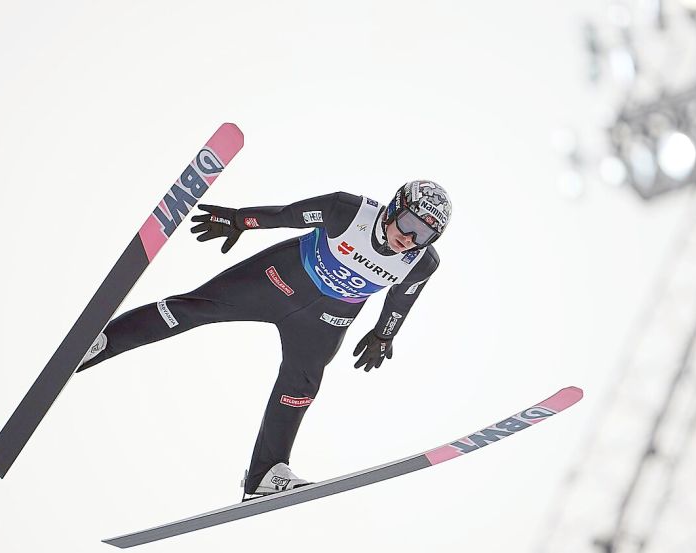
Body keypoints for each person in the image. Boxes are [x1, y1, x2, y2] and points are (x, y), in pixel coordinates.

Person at [76, 180, 452, 499]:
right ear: (392, 208)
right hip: (275, 280)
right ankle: (102, 342)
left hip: (325, 320)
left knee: (301, 387)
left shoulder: (421, 262)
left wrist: (383, 335)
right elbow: (286, 215)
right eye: (408, 223)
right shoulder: (347, 211)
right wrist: (240, 220)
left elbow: (402, 299)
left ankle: (265, 476)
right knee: (192, 309)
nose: (409, 238)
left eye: (424, 235)